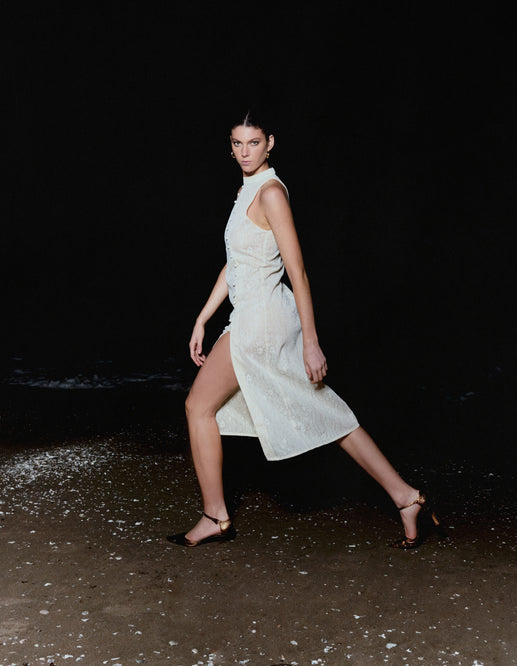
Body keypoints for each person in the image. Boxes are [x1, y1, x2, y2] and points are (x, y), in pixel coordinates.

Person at [168, 111, 441, 550]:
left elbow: (297, 272)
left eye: (253, 143)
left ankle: (215, 516)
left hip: (263, 322)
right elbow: (235, 265)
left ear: (270, 143)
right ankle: (407, 497)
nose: (244, 152)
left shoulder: (271, 193)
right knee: (323, 409)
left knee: (198, 406)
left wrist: (311, 343)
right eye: (237, 143)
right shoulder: (245, 190)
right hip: (253, 316)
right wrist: (203, 317)